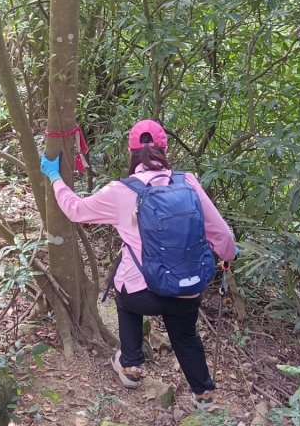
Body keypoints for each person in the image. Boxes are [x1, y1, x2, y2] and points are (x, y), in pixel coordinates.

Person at [39, 119, 238, 409]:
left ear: (130, 151)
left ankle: (131, 366)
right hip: (187, 288)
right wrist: (229, 257)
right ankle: (203, 394)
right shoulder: (188, 182)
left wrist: (55, 177)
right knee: (185, 335)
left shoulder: (121, 191)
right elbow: (222, 235)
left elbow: (76, 210)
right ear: (164, 148)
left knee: (123, 294)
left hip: (141, 295)